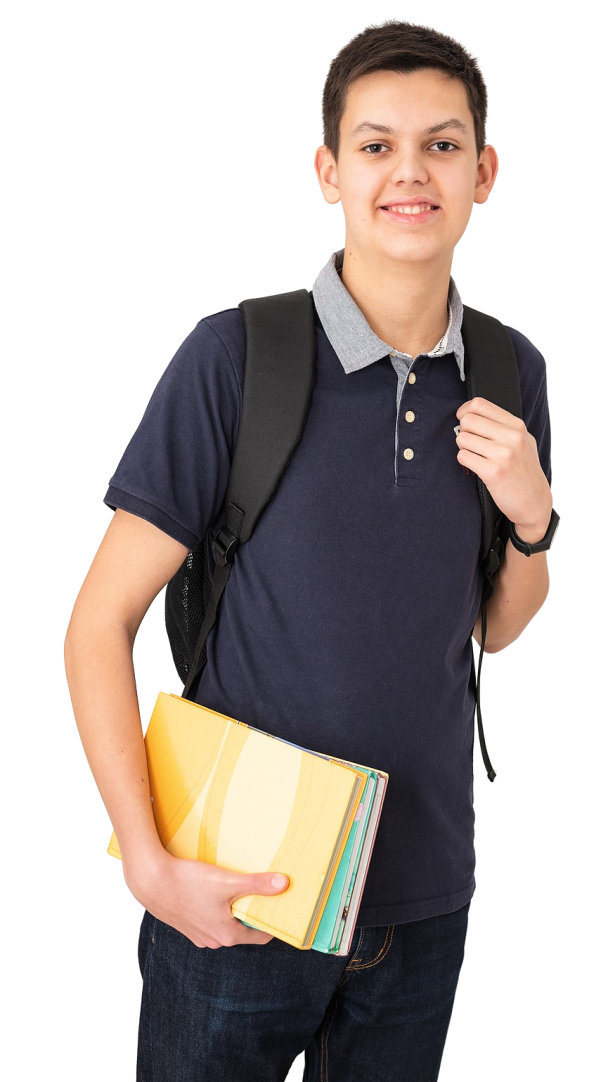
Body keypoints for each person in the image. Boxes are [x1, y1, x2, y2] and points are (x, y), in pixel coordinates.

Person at [63, 17, 555, 1082]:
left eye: (441, 143)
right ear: (327, 171)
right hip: (233, 888)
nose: (409, 172)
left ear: (485, 171)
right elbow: (97, 623)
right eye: (375, 146)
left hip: (423, 898)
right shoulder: (236, 355)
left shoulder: (511, 370)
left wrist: (529, 513)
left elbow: (492, 626)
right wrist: (149, 865)